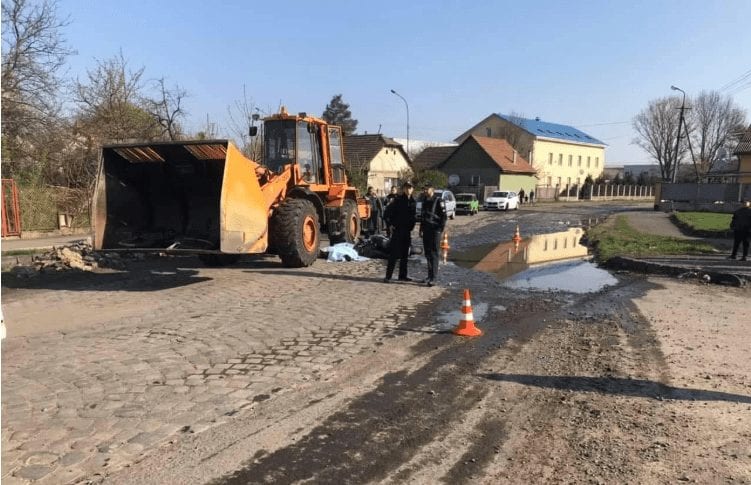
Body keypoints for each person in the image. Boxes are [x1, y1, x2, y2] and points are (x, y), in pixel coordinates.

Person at [383, 182, 417, 282]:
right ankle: (388, 276)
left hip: (407, 231)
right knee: (393, 254)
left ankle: (402, 275)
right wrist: (390, 225)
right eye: (406, 188)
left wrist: (412, 227)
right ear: (403, 189)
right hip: (397, 230)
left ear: (412, 189)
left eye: (410, 188)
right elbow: (386, 214)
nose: (408, 190)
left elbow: (413, 217)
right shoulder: (397, 200)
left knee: (405, 255)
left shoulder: (413, 202)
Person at [419, 183, 447, 287]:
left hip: (435, 231)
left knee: (434, 254)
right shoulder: (425, 201)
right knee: (427, 253)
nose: (425, 191)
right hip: (426, 230)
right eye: (424, 189)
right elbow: (423, 216)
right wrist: (421, 229)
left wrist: (440, 229)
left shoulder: (439, 201)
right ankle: (429, 276)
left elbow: (444, 216)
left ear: (432, 190)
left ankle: (434, 278)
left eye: (427, 189)